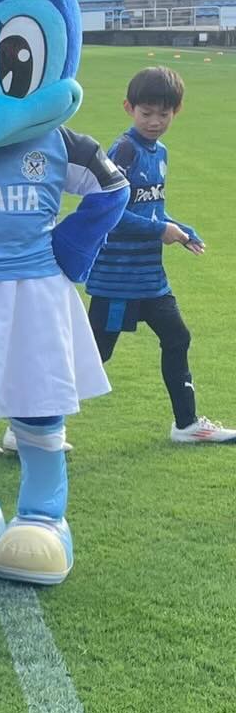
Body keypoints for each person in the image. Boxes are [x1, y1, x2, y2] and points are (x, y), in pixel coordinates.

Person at [86, 66, 233, 443]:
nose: (155, 122)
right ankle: (31, 423)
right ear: (129, 108)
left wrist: (180, 229)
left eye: (163, 114)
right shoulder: (124, 150)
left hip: (149, 277)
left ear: (176, 111)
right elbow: (110, 212)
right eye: (146, 113)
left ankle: (186, 425)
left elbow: (151, 209)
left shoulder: (161, 152)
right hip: (118, 280)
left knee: (177, 337)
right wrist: (160, 230)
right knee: (94, 355)